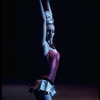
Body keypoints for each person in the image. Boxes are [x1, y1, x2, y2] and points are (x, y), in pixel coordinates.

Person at [29, 0, 60, 100]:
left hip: (49, 85)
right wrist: (39, 2)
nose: (51, 33)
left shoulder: (52, 46)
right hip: (43, 84)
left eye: (53, 31)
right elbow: (43, 20)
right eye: (48, 31)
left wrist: (47, 3)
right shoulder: (44, 46)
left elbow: (52, 20)